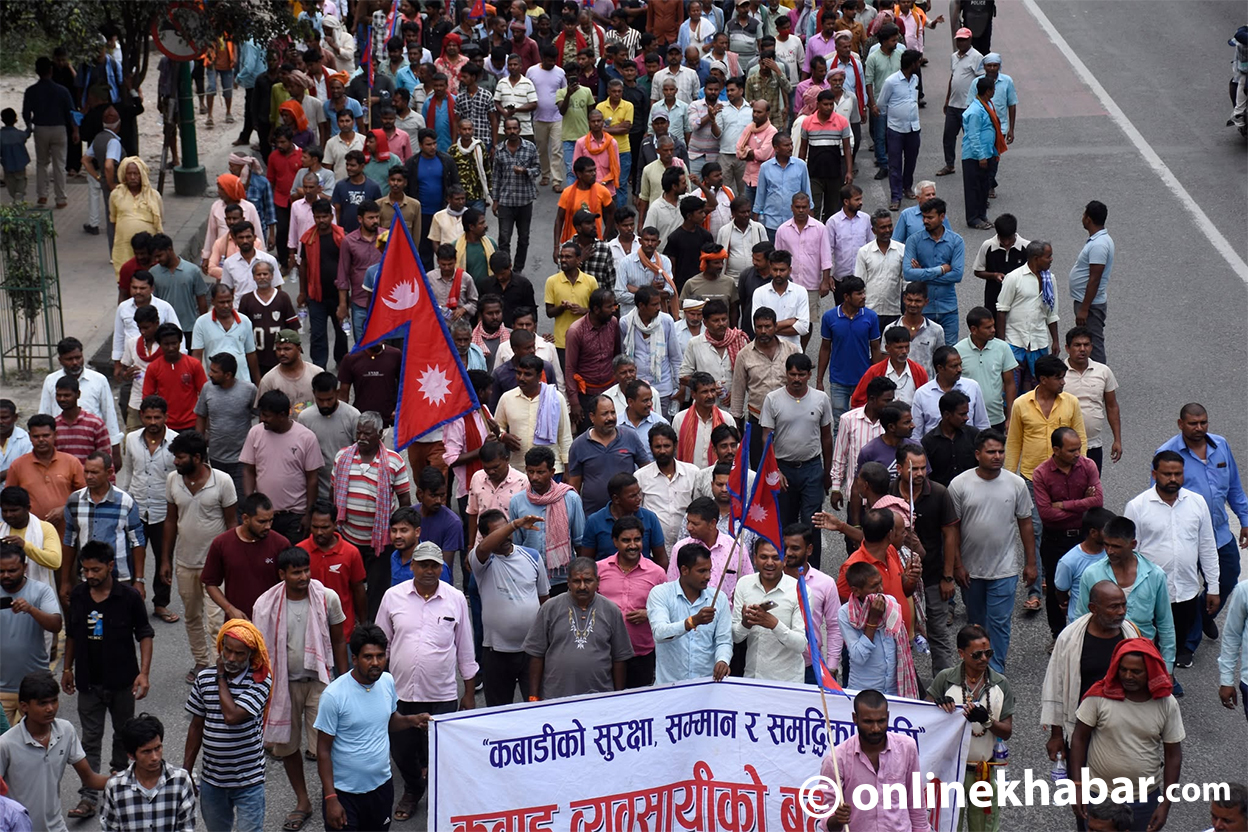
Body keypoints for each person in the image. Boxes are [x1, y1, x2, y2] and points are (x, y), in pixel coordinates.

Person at [253, 547, 347, 831]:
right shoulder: (265, 605)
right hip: (283, 687)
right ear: (282, 575)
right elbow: (259, 652)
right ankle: (303, 801)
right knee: (287, 747)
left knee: (329, 746)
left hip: (320, 683)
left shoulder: (327, 598)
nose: (304, 577)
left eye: (306, 570)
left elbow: (340, 641)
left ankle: (335, 797)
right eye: (296, 572)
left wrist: (345, 681)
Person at [60, 540, 154, 821]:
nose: (89, 575)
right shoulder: (78, 595)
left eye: (95, 569)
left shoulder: (128, 597)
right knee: (89, 739)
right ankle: (89, 795)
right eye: (85, 570)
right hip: (89, 682)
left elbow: (145, 634)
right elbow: (73, 634)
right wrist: (67, 669)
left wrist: (144, 673)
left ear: (111, 566)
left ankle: (120, 786)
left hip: (123, 682)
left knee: (123, 736)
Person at [1157, 403, 1247, 654]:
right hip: (1185, 537)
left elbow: (1234, 487)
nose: (1199, 428)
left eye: (1203, 422)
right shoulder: (1167, 453)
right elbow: (1158, 496)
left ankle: (1203, 614)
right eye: (1193, 423)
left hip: (1218, 532)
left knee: (1229, 576)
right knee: (1186, 588)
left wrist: (1245, 519)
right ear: (1180, 424)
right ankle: (1187, 645)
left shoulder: (1221, 445)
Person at [1069, 639, 1184, 832]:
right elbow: (1078, 738)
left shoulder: (1166, 703)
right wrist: (1078, 786)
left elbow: (1173, 755)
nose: (1128, 676)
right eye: (1123, 669)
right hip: (1098, 794)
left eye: (1136, 671)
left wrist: (1166, 803)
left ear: (1150, 671)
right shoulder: (1099, 695)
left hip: (1144, 799)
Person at [947, 428, 1036, 673]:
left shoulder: (1016, 484)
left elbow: (1026, 523)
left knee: (999, 624)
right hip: (970, 572)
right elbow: (952, 529)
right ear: (978, 454)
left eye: (1000, 451)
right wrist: (957, 565)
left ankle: (995, 673)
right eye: (991, 452)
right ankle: (975, 666)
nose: (997, 456)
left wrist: (1031, 563)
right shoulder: (960, 485)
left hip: (1005, 570)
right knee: (977, 625)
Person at [1125, 451, 1220, 673]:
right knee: (1147, 647)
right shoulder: (1137, 506)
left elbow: (1206, 546)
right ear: (1154, 474)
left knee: (1175, 644)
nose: (1173, 479)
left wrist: (1213, 587)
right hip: (1150, 593)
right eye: (1167, 474)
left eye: (1178, 473)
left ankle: (1167, 680)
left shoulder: (1197, 503)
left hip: (1185, 592)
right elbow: (1130, 554)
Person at [183, 621, 273, 832]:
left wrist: (221, 677)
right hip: (213, 780)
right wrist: (186, 770)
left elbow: (232, 716)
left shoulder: (260, 681)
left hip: (248, 781)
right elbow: (196, 727)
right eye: (228, 651)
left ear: (250, 654)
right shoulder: (204, 679)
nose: (231, 658)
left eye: (239, 654)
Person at [1042, 579, 1142, 763]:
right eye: (1114, 607)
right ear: (1093, 608)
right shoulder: (1070, 638)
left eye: (1123, 605)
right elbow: (1056, 684)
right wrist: (1056, 735)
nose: (1121, 612)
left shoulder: (1131, 634)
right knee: (1081, 785)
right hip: (1082, 730)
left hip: (1123, 729)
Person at [162, 431, 235, 681]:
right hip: (185, 563)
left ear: (196, 457)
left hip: (216, 567)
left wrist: (233, 563)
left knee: (216, 622)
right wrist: (165, 560)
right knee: (192, 616)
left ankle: (219, 668)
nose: (175, 462)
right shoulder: (173, 480)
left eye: (180, 457)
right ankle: (201, 662)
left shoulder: (223, 481)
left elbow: (232, 524)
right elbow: (170, 521)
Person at [929, 623, 1015, 831]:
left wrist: (987, 721)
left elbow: (1007, 731)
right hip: (950, 772)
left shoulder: (1000, 684)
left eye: (988, 653)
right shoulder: (945, 679)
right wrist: (938, 705)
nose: (984, 659)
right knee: (948, 827)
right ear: (961, 653)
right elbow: (926, 719)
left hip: (983, 771)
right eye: (977, 655)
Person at [0, 671, 108, 832]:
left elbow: (90, 779)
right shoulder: (6, 744)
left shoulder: (66, 731)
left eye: (54, 701)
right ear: (24, 706)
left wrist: (126, 780)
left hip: (56, 827)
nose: (50, 708)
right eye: (42, 703)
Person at [1072, 516, 1178, 676]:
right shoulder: (1091, 574)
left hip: (1141, 657)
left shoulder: (1155, 575)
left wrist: (1167, 667)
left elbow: (1165, 623)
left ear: (1133, 544)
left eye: (1116, 546)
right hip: (1102, 654)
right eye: (1106, 545)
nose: (1109, 551)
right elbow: (1080, 618)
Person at [759, 354, 835, 569]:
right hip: (783, 469)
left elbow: (827, 436)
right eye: (792, 374)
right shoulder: (773, 399)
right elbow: (766, 436)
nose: (796, 379)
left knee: (813, 522)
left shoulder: (821, 399)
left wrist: (827, 472)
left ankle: (813, 571)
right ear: (786, 373)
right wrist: (774, 470)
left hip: (812, 468)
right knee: (787, 522)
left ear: (809, 375)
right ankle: (786, 569)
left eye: (801, 374)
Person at [817, 688, 930, 832]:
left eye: (881, 721)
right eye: (868, 722)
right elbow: (826, 820)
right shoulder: (836, 759)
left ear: (888, 717)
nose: (876, 728)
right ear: (855, 718)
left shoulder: (907, 748)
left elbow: (916, 804)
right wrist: (837, 819)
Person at [525, 556, 633, 699]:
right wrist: (533, 696)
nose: (582, 586)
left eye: (588, 580)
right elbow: (536, 655)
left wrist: (617, 697)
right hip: (555, 697)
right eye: (577, 581)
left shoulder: (611, 610)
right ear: (568, 582)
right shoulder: (550, 608)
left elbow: (619, 658)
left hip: (600, 696)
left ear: (598, 582)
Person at [596, 516, 668, 687]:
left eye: (637, 539)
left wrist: (649, 613)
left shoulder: (657, 573)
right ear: (615, 542)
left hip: (641, 653)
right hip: (605, 652)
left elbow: (669, 610)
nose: (633, 545)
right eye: (626, 540)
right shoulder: (598, 569)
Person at [61, 452, 146, 596]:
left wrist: (139, 580)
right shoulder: (74, 501)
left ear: (109, 473)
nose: (88, 476)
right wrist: (65, 581)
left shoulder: (125, 501)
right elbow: (70, 542)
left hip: (120, 577)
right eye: (86, 471)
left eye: (94, 472)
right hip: (86, 577)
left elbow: (137, 542)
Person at [0, 540, 62, 727]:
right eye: (1, 571)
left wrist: (31, 609)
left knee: (37, 745)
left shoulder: (41, 591)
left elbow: (56, 624)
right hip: (1, 690)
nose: (6, 576)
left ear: (25, 567)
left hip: (35, 688)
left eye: (12, 571)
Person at [99, 714, 197, 832]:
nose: (155, 757)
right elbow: (109, 828)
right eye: (146, 752)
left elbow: (186, 827)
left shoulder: (181, 781)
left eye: (158, 748)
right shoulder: (115, 788)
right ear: (131, 755)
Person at [510, 445, 586, 592]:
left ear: (552, 472)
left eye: (540, 472)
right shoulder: (517, 502)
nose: (534, 477)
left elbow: (579, 541)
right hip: (530, 576)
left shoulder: (570, 499)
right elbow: (516, 544)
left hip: (563, 577)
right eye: (530, 472)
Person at [201, 492, 287, 621]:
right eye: (262, 522)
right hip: (238, 624)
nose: (268, 526)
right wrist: (229, 609)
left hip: (273, 621)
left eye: (271, 520)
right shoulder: (222, 543)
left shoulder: (281, 544)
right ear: (246, 519)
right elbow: (210, 583)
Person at [730, 538, 804, 682]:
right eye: (764, 557)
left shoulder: (800, 591)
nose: (769, 563)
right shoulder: (744, 584)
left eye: (776, 558)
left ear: (785, 560)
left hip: (788, 682)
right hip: (752, 678)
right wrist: (746, 624)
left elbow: (800, 645)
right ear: (755, 558)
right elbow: (735, 637)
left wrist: (774, 624)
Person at [828, 375, 895, 518]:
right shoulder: (848, 420)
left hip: (886, 501)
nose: (890, 405)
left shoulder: (892, 424)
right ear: (872, 399)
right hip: (857, 500)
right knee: (854, 536)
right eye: (887, 401)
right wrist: (835, 488)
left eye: (892, 400)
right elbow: (840, 456)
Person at [38, 336, 123, 450]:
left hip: (92, 442)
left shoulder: (98, 380)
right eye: (69, 359)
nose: (75, 362)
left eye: (78, 358)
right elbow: (45, 413)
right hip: (60, 444)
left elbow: (109, 414)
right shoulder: (51, 381)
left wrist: (115, 447)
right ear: (60, 360)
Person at [902, 197, 965, 345]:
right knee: (920, 353)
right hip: (923, 310)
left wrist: (922, 274)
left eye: (930, 217)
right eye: (924, 217)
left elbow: (957, 275)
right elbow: (908, 273)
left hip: (948, 309)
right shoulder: (914, 240)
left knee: (948, 354)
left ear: (942, 217)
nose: (925, 221)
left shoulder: (956, 241)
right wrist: (941, 269)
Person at [1063, 326, 1122, 472]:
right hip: (1064, 446)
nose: (1082, 349)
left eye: (1086, 345)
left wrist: (1117, 440)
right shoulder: (1058, 373)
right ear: (1067, 348)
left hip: (1093, 445)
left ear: (1091, 347)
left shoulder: (1103, 371)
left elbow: (1112, 406)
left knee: (1092, 490)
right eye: (1077, 345)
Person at [22, 56, 78, 209]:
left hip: (40, 128)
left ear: (36, 72)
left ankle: (42, 195)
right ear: (51, 70)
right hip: (59, 128)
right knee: (59, 164)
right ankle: (60, 198)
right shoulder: (62, 91)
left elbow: (26, 113)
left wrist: (29, 126)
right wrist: (75, 130)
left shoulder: (31, 91)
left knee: (41, 163)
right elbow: (72, 112)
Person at [955, 307, 1017, 431]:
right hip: (968, 420)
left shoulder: (1003, 348)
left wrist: (1010, 417)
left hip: (996, 418)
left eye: (993, 326)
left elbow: (1010, 384)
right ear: (974, 329)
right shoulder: (957, 351)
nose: (993, 330)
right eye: (988, 328)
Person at [1068, 200, 1114, 363]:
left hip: (1091, 304)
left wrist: (1084, 309)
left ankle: (1101, 382)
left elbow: (1095, 279)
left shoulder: (1099, 245)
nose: (1082, 217)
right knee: (1088, 341)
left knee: (1093, 344)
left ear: (1088, 218)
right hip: (1088, 302)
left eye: (1083, 214)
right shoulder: (1098, 241)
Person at [911, 345, 990, 438]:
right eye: (954, 366)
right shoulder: (922, 394)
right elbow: (916, 433)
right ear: (940, 368)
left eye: (960, 364)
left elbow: (982, 424)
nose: (959, 369)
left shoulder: (972, 387)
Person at [142, 325, 207, 432]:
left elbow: (205, 394)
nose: (171, 348)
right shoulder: (153, 368)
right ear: (160, 344)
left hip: (192, 423)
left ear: (180, 342)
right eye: (166, 344)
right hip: (165, 426)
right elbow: (147, 397)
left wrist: (205, 425)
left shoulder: (194, 364)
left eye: (174, 343)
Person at [970, 212, 1028, 314]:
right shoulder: (988, 246)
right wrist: (994, 275)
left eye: (1009, 239)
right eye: (1002, 239)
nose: (1006, 242)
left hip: (1019, 300)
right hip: (994, 299)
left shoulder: (1027, 247)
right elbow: (978, 271)